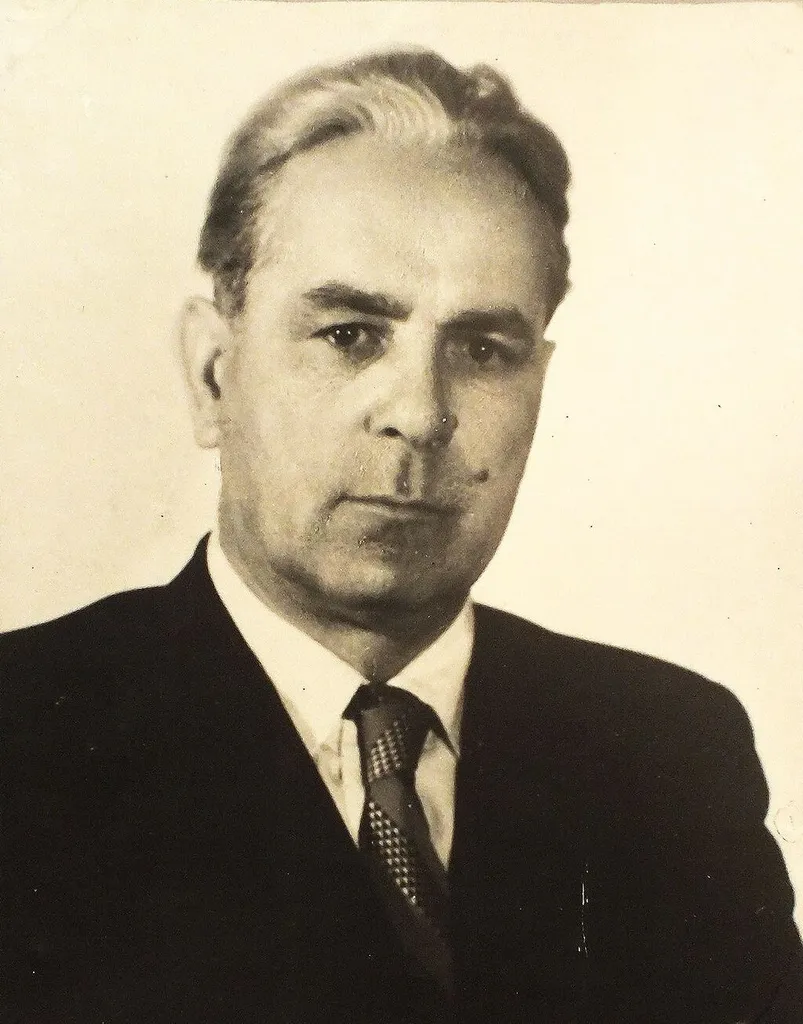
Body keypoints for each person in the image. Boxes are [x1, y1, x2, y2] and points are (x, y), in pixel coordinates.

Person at [1, 49, 801, 1024]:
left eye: (482, 350)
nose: (420, 414)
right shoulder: (26, 738)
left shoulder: (667, 751)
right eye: (349, 334)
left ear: (537, 385)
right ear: (214, 374)